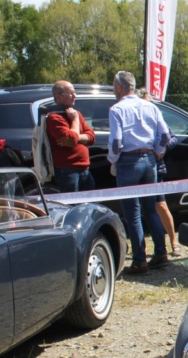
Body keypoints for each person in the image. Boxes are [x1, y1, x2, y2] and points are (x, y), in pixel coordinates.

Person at [107, 71, 171, 275]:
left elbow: (116, 141)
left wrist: (113, 160)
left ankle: (139, 260)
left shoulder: (117, 109)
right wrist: (159, 152)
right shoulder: (150, 106)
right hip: (149, 159)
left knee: (133, 213)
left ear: (118, 88)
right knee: (150, 209)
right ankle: (161, 254)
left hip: (128, 161)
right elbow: (165, 134)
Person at [137, 89, 180, 256]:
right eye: (147, 102)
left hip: (156, 166)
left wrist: (161, 150)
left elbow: (172, 138)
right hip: (138, 165)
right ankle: (141, 248)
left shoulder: (156, 117)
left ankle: (173, 242)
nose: (150, 105)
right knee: (138, 208)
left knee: (160, 205)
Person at [45, 81, 96, 193]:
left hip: (85, 169)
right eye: (71, 93)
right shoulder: (54, 118)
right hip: (67, 170)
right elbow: (72, 140)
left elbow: (91, 137)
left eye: (75, 92)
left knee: (90, 205)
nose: (75, 96)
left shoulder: (75, 113)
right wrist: (75, 120)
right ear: (58, 97)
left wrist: (77, 137)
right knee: (72, 206)